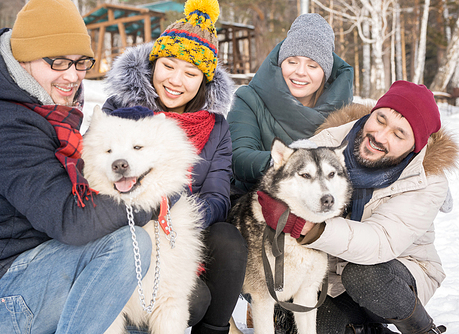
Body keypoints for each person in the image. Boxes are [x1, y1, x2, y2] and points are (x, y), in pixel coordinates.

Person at [0, 0, 156, 333]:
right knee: (127, 245)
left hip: (38, 265)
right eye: (58, 63)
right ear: (23, 60)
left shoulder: (43, 110)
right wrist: (153, 195)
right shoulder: (7, 128)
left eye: (80, 63)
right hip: (3, 294)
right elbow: (73, 221)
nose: (72, 76)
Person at [102, 0, 247, 333]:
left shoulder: (216, 127)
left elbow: (218, 196)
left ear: (204, 80)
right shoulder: (122, 110)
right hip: (128, 231)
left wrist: (176, 216)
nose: (176, 80)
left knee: (228, 239)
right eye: (168, 65)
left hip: (185, 232)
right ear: (154, 63)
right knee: (194, 301)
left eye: (191, 73)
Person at [281, 81, 455, 333]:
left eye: (398, 134)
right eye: (380, 120)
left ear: (415, 148)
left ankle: (423, 330)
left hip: (395, 273)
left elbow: (380, 242)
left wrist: (316, 228)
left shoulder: (427, 182)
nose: (380, 136)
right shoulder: (328, 142)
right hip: (330, 276)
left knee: (364, 276)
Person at [228, 13, 354, 192]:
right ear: (281, 64)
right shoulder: (249, 100)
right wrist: (285, 160)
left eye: (312, 65)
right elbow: (238, 157)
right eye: (292, 61)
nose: (300, 72)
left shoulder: (344, 114)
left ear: (325, 74)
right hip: (255, 202)